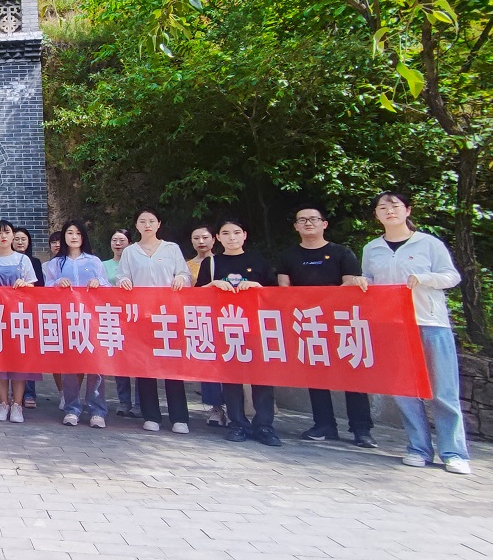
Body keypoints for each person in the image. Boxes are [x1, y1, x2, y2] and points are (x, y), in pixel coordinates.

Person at [363, 191, 470, 475]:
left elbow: (452, 276)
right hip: (393, 326)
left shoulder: (428, 243)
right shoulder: (372, 248)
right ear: (376, 215)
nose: (389, 211)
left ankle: (453, 452)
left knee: (443, 390)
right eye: (382, 207)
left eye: (395, 206)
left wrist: (425, 279)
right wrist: (363, 282)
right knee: (404, 390)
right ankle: (418, 447)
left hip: (430, 323)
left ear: (407, 210)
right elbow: (371, 280)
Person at [277, 206, 376, 448]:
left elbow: (350, 286)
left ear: (324, 224)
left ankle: (361, 429)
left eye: (313, 219)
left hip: (341, 321)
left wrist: (325, 303)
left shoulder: (342, 253)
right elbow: (284, 289)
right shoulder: (288, 256)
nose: (308, 223)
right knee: (316, 375)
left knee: (352, 373)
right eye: (302, 220)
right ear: (296, 227)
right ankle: (323, 424)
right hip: (308, 322)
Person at [195, 218, 281, 446]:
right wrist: (212, 285)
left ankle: (264, 426)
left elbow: (276, 294)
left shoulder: (258, 261)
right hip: (226, 328)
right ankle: (237, 424)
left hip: (256, 328)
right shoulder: (211, 263)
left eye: (236, 232)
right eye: (225, 233)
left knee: (262, 378)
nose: (231, 237)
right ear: (218, 238)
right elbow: (196, 296)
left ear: (244, 235)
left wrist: (257, 287)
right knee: (231, 379)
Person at [117, 209, 191, 434]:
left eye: (151, 221)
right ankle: (151, 416)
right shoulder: (130, 251)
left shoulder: (171, 249)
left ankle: (179, 417)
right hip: (142, 316)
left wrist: (181, 278)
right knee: (145, 366)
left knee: (172, 367)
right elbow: (122, 276)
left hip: (169, 315)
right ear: (136, 226)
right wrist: (123, 282)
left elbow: (185, 274)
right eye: (142, 221)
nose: (147, 225)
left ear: (159, 224)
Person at [43, 220, 110, 428]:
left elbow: (107, 286)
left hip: (92, 319)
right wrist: (57, 283)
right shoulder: (55, 264)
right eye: (70, 233)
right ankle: (72, 408)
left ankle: (97, 410)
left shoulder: (94, 261)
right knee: (69, 366)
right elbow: (46, 289)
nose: (74, 237)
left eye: (78, 233)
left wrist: (99, 284)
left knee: (96, 366)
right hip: (68, 319)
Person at [0, 220, 37, 423]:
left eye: (7, 232)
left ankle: (17, 404)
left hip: (18, 317)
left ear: (13, 235)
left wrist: (25, 285)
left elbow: (33, 289)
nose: (3, 236)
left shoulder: (23, 260)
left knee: (18, 361)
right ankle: (3, 402)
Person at [186, 224, 226, 427]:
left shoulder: (220, 262)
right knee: (208, 364)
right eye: (196, 238)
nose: (200, 241)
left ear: (214, 239)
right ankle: (215, 407)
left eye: (205, 237)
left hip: (226, 318)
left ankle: (234, 408)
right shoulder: (186, 265)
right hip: (199, 318)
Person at [101, 227, 135, 416]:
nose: (118, 243)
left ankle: (141, 403)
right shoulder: (104, 265)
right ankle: (124, 401)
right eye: (115, 240)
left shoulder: (137, 264)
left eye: (122, 240)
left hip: (135, 316)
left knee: (138, 360)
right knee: (120, 361)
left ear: (130, 243)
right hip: (113, 316)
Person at [12, 227, 45, 406]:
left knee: (28, 353)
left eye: (23, 239)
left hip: (29, 312)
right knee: (13, 354)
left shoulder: (35, 262)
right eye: (16, 239)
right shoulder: (6, 261)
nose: (20, 242)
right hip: (9, 312)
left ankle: (29, 393)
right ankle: (14, 394)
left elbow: (40, 288)